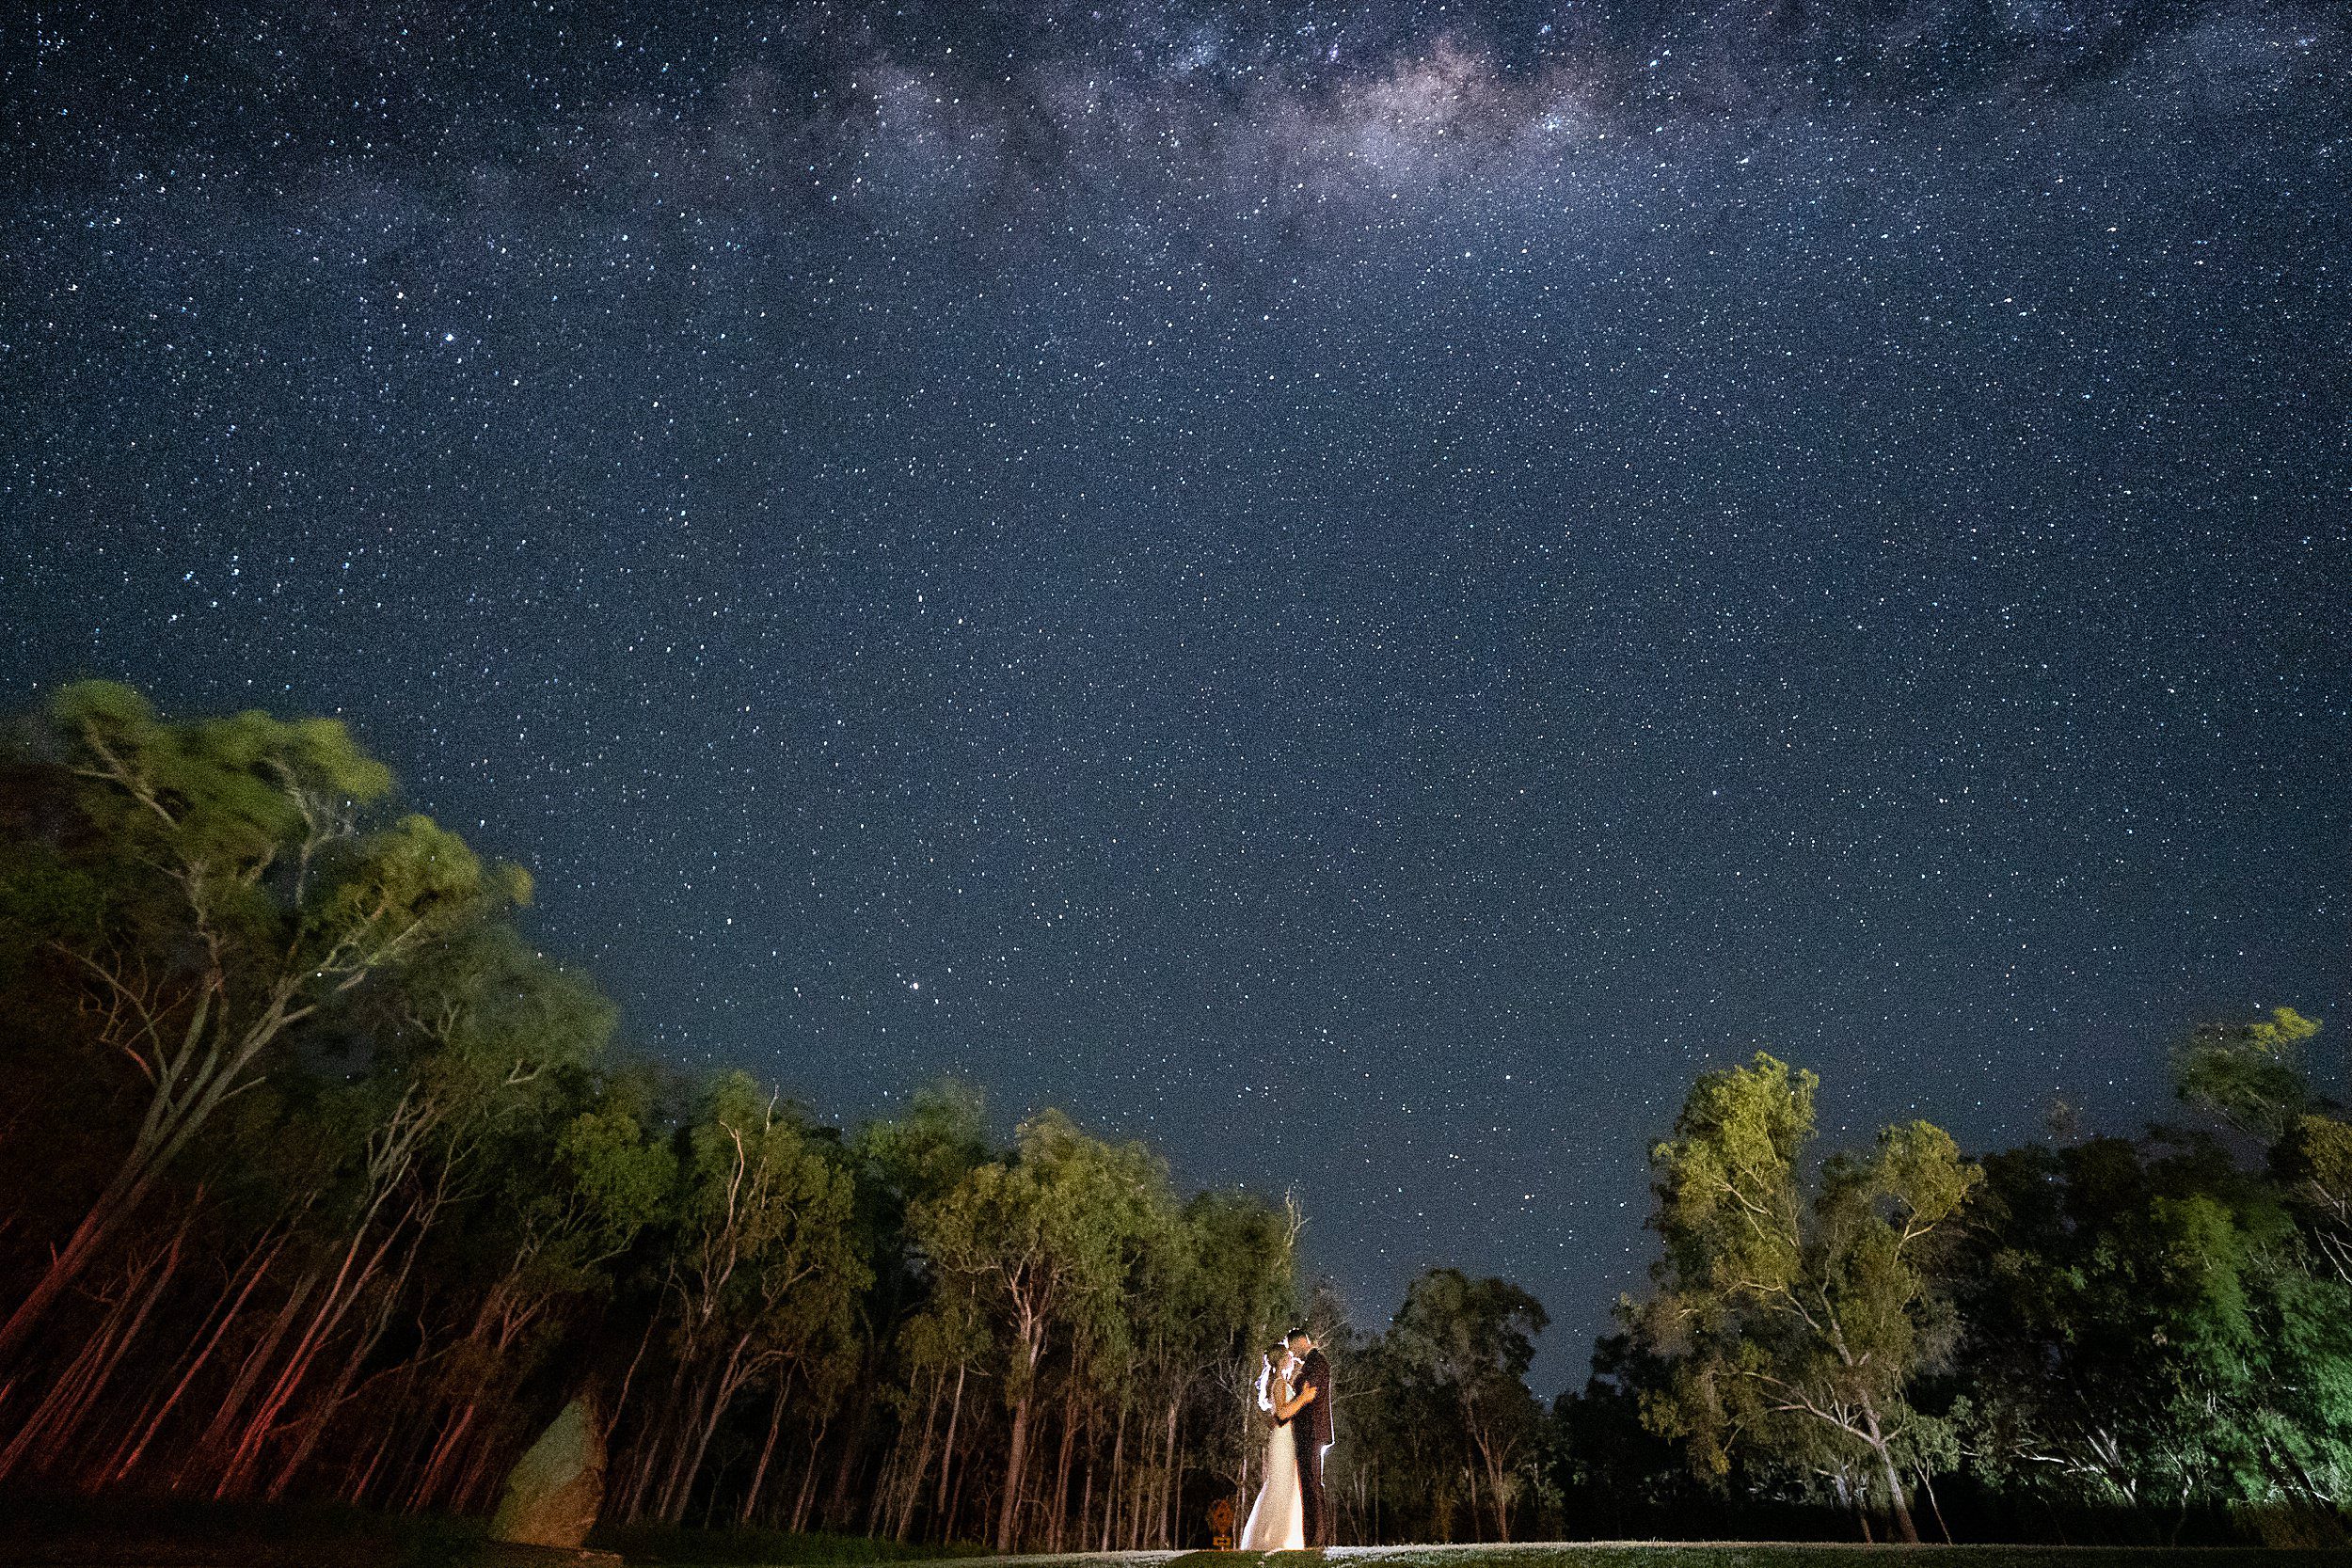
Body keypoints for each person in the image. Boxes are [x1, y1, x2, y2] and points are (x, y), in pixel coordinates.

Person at [1237, 1339, 1303, 1549]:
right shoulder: (1280, 1384)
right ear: (1283, 1361)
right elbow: (1283, 1412)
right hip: (1284, 1438)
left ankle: (1283, 1536)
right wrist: (1304, 1399)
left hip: (1285, 1436)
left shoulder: (1282, 1383)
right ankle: (1274, 1537)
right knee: (1282, 1484)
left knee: (1285, 1484)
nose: (1292, 1360)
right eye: (1289, 1357)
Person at [1271, 1327, 1334, 1546]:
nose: (1292, 1355)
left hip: (1312, 1432)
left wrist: (1302, 1395)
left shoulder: (1316, 1362)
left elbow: (1310, 1394)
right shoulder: (1308, 1365)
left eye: (1292, 1349)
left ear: (1298, 1343)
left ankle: (1316, 1540)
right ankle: (1313, 1539)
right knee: (1308, 1486)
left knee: (1312, 1486)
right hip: (1305, 1433)